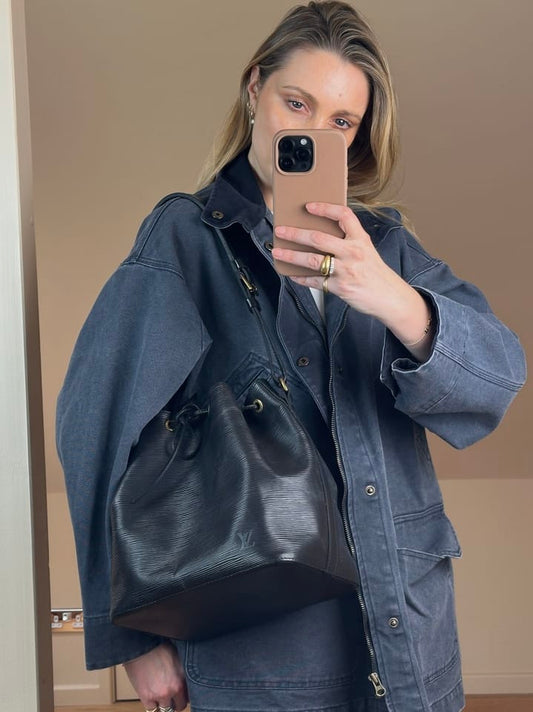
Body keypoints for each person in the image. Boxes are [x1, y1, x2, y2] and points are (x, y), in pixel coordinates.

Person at [56, 2, 526, 711]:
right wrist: (131, 638)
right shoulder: (185, 240)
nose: (312, 132)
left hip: (409, 644)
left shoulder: (385, 248)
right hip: (262, 655)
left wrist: (389, 295)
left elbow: (498, 377)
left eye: (341, 121)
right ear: (254, 89)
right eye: (296, 103)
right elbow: (94, 430)